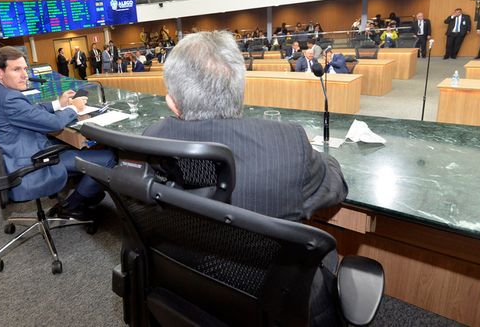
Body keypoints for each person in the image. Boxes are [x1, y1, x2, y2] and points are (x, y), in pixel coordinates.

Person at [143, 31, 348, 326]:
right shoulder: (288, 144)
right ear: (240, 91)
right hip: (278, 304)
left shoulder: (153, 139)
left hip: (185, 286)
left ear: (172, 104)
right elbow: (335, 187)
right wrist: (320, 156)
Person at [0, 46, 115, 220]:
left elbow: (29, 110)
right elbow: (54, 123)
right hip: (30, 163)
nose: (24, 75)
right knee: (107, 158)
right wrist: (74, 107)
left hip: (10, 158)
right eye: (16, 69)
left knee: (78, 150)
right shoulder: (9, 98)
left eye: (25, 69)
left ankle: (87, 191)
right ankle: (71, 206)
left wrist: (58, 104)